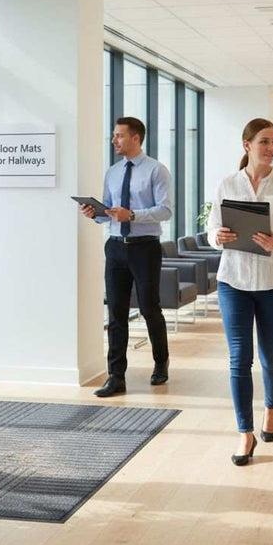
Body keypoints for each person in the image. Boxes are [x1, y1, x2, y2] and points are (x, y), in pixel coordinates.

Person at [206, 118, 273, 466]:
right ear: (247, 145)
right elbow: (212, 227)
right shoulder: (228, 183)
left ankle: (271, 408)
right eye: (264, 141)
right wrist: (216, 236)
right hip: (233, 280)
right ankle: (245, 434)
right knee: (238, 359)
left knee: (271, 357)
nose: (271, 147)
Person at [80, 117, 172, 398]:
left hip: (145, 247)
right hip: (116, 246)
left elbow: (165, 211)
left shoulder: (156, 170)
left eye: (119, 136)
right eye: (113, 135)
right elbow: (109, 212)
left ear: (136, 138)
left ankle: (160, 362)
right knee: (116, 313)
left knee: (149, 308)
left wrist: (132, 215)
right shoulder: (112, 172)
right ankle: (116, 376)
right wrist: (95, 214)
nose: (114, 140)